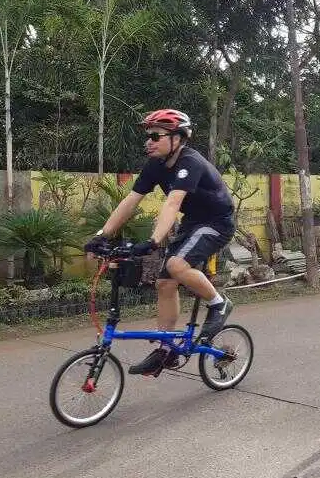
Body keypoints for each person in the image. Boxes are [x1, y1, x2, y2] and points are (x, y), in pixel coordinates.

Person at [84, 109, 236, 376]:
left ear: (177, 138)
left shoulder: (191, 162)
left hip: (216, 222)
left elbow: (173, 202)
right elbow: (130, 201)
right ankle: (166, 349)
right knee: (164, 283)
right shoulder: (155, 165)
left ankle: (219, 303)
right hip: (192, 224)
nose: (149, 141)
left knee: (176, 264)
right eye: (148, 136)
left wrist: (154, 240)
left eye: (156, 136)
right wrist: (101, 235)